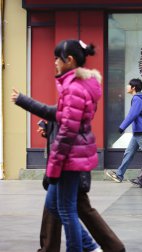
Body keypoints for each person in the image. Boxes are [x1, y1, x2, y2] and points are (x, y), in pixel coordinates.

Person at [15, 39, 104, 252]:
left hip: (68, 158)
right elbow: (61, 115)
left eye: (57, 58)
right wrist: (24, 101)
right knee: (56, 205)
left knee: (66, 210)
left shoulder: (74, 88)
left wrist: (53, 168)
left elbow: (66, 133)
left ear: (69, 60)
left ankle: (84, 248)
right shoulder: (77, 86)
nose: (54, 62)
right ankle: (90, 247)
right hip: (73, 156)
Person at [11, 91, 126, 252]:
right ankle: (105, 246)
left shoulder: (74, 97)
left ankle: (94, 246)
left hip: (66, 166)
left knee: (65, 208)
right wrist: (49, 130)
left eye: (59, 63)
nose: (57, 64)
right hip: (66, 165)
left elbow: (57, 118)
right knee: (65, 207)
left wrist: (22, 99)